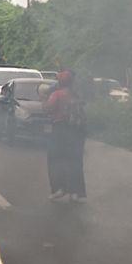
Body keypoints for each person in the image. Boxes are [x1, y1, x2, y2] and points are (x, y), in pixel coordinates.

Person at [43, 68, 87, 202]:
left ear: (60, 82)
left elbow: (48, 108)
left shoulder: (57, 94)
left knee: (55, 160)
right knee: (75, 161)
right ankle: (76, 192)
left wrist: (43, 98)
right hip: (77, 131)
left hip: (60, 129)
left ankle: (59, 189)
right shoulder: (77, 94)